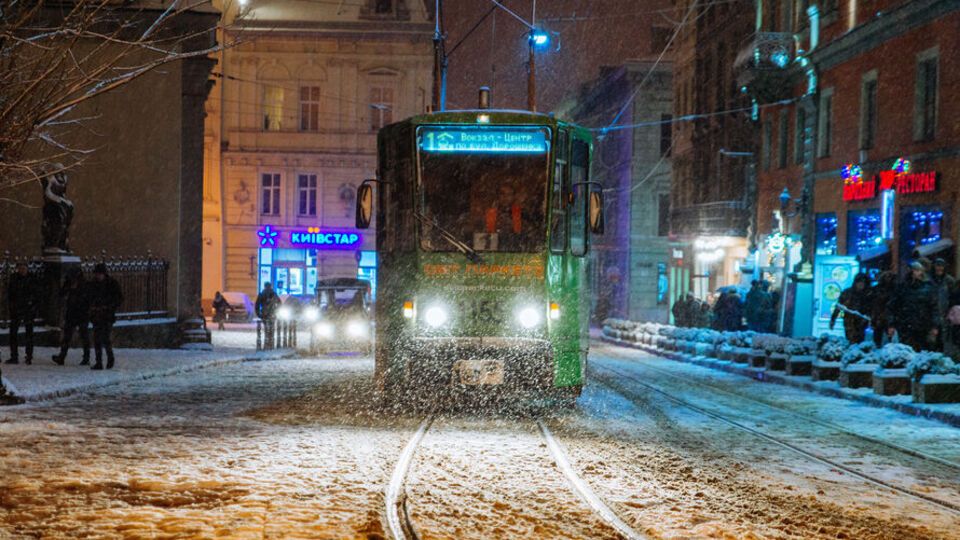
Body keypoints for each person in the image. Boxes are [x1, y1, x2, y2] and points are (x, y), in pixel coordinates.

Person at [888, 261, 941, 352]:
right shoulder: (902, 288)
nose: (915, 273)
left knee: (923, 353)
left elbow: (934, 308)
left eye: (918, 270)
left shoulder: (929, 288)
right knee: (908, 352)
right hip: (905, 325)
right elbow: (892, 307)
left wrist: (935, 326)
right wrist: (891, 324)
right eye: (914, 270)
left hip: (923, 326)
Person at [87, 263, 123, 370]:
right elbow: (89, 297)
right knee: (97, 338)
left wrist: (109, 306)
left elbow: (118, 298)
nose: (98, 276)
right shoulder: (93, 284)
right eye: (96, 274)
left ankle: (110, 358)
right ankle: (99, 362)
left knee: (105, 338)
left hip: (107, 315)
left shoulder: (112, 284)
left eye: (99, 274)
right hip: (97, 315)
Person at [52, 268, 90, 365]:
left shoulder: (84, 284)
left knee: (83, 335)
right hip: (72, 312)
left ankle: (86, 357)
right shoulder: (69, 282)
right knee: (67, 335)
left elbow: (86, 298)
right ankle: (62, 356)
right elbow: (61, 293)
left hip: (82, 312)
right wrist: (68, 288)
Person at [6, 263, 39, 365]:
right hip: (17, 308)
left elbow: (36, 294)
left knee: (29, 333)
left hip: (28, 309)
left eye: (24, 269)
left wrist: (32, 305)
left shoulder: (32, 279)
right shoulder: (15, 278)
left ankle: (28, 356)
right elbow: (10, 293)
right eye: (20, 269)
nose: (22, 271)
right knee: (13, 333)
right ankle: (14, 356)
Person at [830, 273, 871, 343]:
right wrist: (833, 319)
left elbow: (871, 308)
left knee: (861, 341)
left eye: (863, 283)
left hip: (862, 323)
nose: (861, 285)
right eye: (859, 282)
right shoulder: (847, 293)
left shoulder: (868, 294)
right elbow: (838, 307)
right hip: (849, 322)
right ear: (855, 283)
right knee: (850, 340)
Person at [485, 184, 523, 250]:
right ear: (497, 196)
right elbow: (484, 235)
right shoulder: (490, 213)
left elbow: (523, 235)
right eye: (502, 194)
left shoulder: (521, 213)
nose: (505, 197)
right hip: (493, 249)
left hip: (516, 250)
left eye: (509, 194)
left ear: (513, 196)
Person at [930, 258, 955, 351]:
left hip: (946, 315)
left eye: (941, 266)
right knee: (931, 342)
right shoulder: (928, 280)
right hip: (930, 316)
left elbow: (954, 297)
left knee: (944, 342)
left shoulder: (949, 281)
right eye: (937, 265)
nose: (939, 268)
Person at [869, 271, 897, 346]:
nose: (888, 279)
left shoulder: (895, 289)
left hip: (890, 319)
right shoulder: (876, 290)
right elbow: (873, 305)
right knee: (878, 339)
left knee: (891, 341)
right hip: (879, 318)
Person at [255, 282, 281, 348]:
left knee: (266, 328)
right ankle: (271, 342)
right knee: (272, 328)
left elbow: (257, 305)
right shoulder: (274, 294)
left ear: (264, 286)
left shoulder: (262, 294)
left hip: (264, 314)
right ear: (270, 286)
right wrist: (276, 311)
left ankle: (266, 343)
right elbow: (279, 303)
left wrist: (258, 314)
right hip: (272, 313)